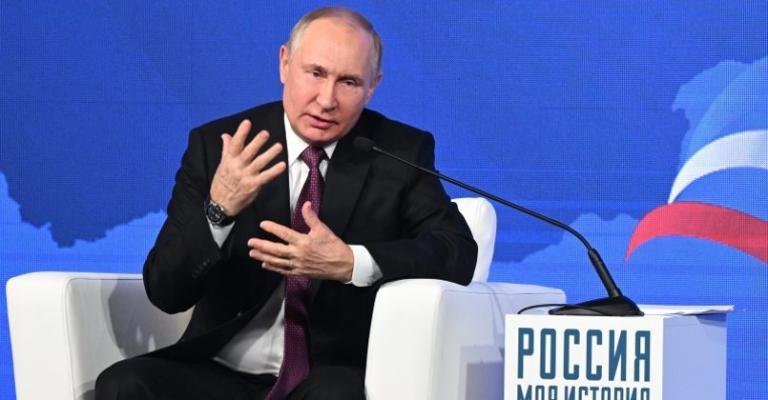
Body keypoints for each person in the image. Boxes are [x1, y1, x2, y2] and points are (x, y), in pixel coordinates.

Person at [95, 6, 476, 400]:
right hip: (220, 371)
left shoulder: (398, 152)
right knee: (124, 384)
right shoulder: (221, 146)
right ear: (284, 63)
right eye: (316, 73)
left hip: (327, 374)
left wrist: (351, 262)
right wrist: (218, 210)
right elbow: (165, 291)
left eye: (348, 82)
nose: (327, 100)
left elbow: (457, 252)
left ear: (372, 87)